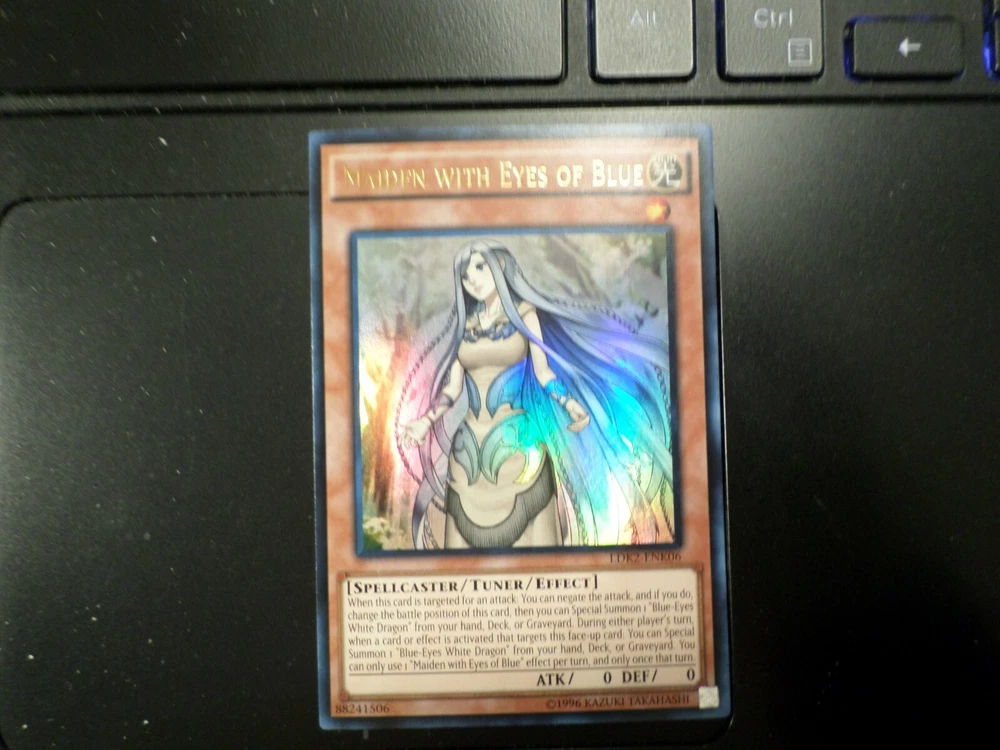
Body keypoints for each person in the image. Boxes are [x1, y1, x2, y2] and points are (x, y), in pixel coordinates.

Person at [398, 238, 674, 550]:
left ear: (501, 266)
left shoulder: (525, 315)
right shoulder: (467, 325)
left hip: (521, 447)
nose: (471, 278)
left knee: (535, 547)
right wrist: (424, 422)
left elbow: (544, 373)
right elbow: (452, 387)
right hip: (468, 452)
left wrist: (569, 403)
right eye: (465, 274)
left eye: (479, 267)